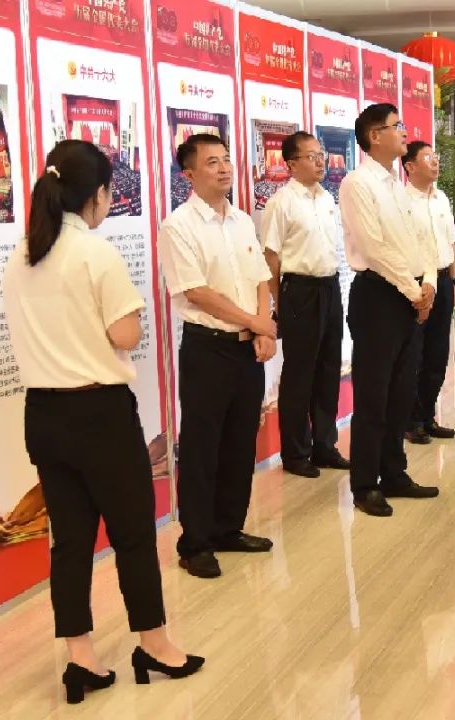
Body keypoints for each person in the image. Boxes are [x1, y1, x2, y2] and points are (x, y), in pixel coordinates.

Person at [2, 140, 202, 704]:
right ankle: (155, 645)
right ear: (96, 194)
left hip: (44, 416)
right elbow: (125, 335)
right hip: (99, 415)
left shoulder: (22, 255)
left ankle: (81, 659)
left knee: (69, 542)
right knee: (133, 534)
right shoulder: (96, 253)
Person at [159, 134, 277, 579]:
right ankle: (195, 543)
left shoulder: (242, 220)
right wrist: (257, 322)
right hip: (208, 348)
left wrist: (261, 327)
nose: (224, 168)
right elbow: (197, 293)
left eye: (226, 159)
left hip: (247, 347)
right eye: (212, 162)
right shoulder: (178, 226)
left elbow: (261, 277)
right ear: (189, 174)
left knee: (240, 442)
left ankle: (228, 528)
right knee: (202, 447)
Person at [340, 103, 440, 517]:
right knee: (373, 396)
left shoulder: (398, 185)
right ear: (374, 136)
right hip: (379, 297)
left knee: (401, 393)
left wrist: (428, 282)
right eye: (397, 126)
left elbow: (422, 239)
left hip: (409, 294)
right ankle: (365, 485)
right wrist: (414, 290)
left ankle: (394, 473)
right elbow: (373, 247)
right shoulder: (357, 183)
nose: (404, 132)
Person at [260, 131, 351, 478]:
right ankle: (296, 454)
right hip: (299, 291)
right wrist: (280, 302)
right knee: (300, 374)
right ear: (291, 164)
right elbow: (271, 257)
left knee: (328, 369)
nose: (320, 162)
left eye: (321, 155)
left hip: (329, 287)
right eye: (311, 156)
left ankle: (325, 446)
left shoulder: (326, 197)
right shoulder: (281, 203)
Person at [402, 140, 455, 445]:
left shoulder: (441, 198)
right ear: (410, 166)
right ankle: (411, 420)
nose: (435, 162)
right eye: (427, 158)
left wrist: (454, 282)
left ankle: (427, 416)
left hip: (443, 280)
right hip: (417, 284)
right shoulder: (402, 202)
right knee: (415, 353)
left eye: (435, 157)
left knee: (438, 354)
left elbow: (450, 241)